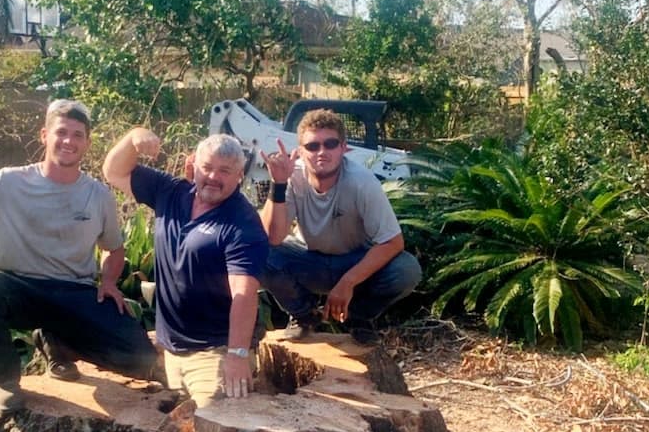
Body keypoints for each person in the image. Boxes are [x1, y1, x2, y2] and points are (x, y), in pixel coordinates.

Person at [0, 98, 156, 412]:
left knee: (139, 357)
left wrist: (110, 281)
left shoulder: (98, 195)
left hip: (74, 293)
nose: (68, 141)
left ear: (87, 143)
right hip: (18, 289)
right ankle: (5, 382)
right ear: (44, 136)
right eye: (61, 132)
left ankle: (56, 343)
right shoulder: (8, 182)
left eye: (78, 135)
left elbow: (113, 248)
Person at [103, 128, 268, 407]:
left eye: (225, 171)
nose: (214, 177)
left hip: (214, 354)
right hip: (170, 352)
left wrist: (238, 355)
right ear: (194, 165)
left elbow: (244, 294)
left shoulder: (242, 223)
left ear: (240, 175)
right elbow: (114, 171)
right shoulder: (170, 192)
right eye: (208, 167)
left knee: (212, 427)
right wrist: (133, 138)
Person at [259, 108, 421, 340]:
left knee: (406, 270)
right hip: (308, 260)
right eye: (313, 146)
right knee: (256, 251)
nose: (321, 152)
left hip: (353, 260)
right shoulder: (292, 178)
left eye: (330, 144)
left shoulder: (362, 182)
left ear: (344, 148)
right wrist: (278, 184)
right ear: (301, 152)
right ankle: (303, 314)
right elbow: (272, 238)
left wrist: (348, 282)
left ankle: (359, 317)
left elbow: (393, 242)